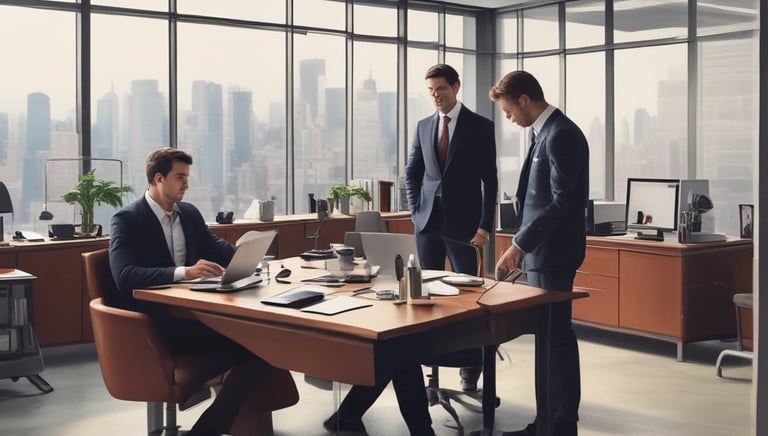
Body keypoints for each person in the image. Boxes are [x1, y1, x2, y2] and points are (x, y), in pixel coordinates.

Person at [109, 147, 295, 436]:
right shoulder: (128, 219)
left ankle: (208, 428)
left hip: (192, 316)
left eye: (187, 176)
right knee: (258, 348)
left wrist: (251, 260)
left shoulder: (189, 213)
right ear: (159, 178)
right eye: (179, 177)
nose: (186, 183)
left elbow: (217, 248)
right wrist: (184, 272)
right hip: (156, 326)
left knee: (263, 343)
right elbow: (124, 276)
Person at [490, 71, 589, 436]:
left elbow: (562, 202)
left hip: (554, 252)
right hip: (543, 251)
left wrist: (520, 244)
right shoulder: (543, 133)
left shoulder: (560, 134)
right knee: (550, 338)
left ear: (524, 99)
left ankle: (558, 424)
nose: (508, 117)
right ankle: (549, 422)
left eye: (508, 110)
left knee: (555, 339)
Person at [405, 63, 498, 391]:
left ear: (456, 87)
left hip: (466, 226)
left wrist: (485, 227)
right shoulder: (423, 126)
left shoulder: (480, 126)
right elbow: (412, 172)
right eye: (430, 91)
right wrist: (415, 211)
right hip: (428, 222)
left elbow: (490, 181)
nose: (435, 96)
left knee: (468, 298)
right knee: (427, 295)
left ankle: (470, 368)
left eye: (441, 89)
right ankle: (430, 366)